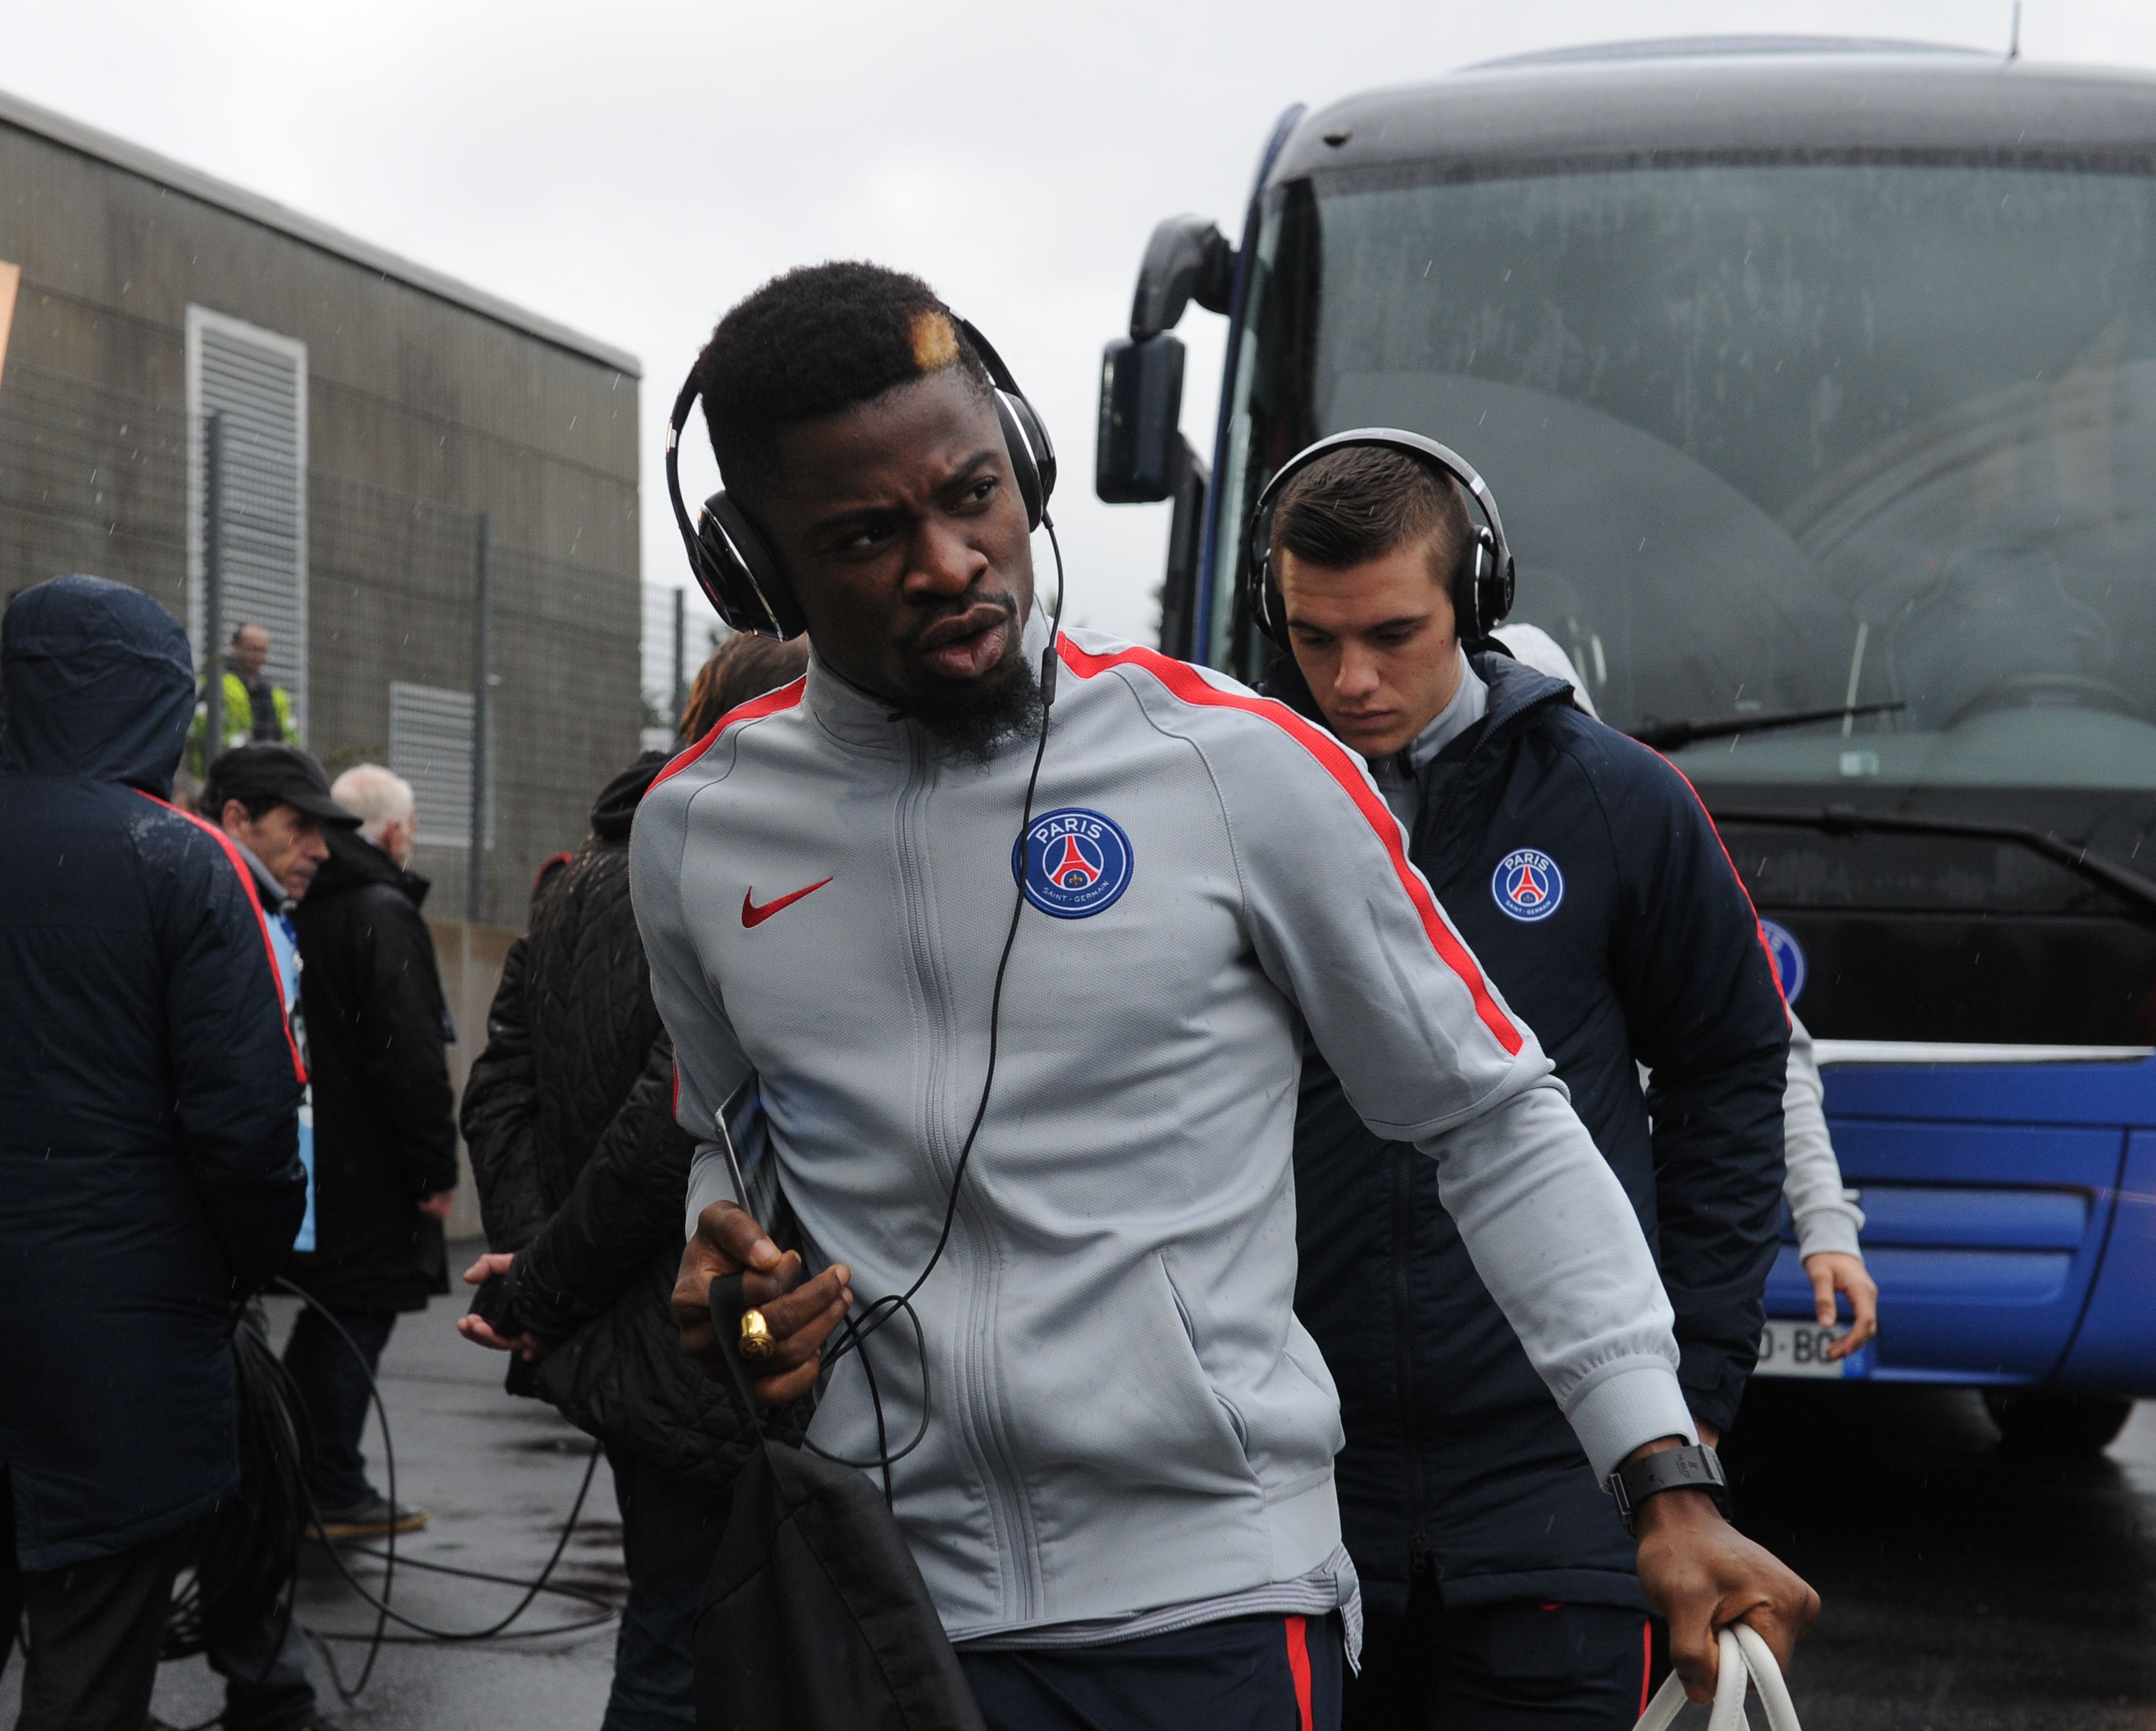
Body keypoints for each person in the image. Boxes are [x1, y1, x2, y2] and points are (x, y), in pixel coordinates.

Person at [610, 263, 1815, 1731]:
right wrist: (722, 1267)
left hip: (1212, 1610)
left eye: (975, 493)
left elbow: (1493, 1120)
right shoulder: (693, 832)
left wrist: (1662, 1471)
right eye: (866, 536)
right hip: (873, 1602)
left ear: (1028, 469)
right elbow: (719, 1145)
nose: (949, 563)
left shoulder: (1234, 767)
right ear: (756, 571)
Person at [1251, 441, 1792, 1728]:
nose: (1350, 678)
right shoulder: (1235, 800)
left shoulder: (1617, 802)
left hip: (1556, 1485)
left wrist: (1690, 1400)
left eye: (1391, 633)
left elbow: (1726, 1072)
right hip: (1286, 1485)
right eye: (1313, 640)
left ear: (1476, 601)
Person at [0, 576, 306, 1731]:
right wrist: (228, 1272)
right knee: (89, 1677)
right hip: (126, 1356)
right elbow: (246, 1130)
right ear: (157, 702)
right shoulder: (184, 863)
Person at [457, 631, 809, 1731]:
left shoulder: (575, 882)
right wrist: (544, 1284)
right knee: (757, 1652)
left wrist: (536, 1274)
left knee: (668, 1640)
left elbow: (497, 1087)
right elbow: (677, 1115)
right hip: (742, 1339)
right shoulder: (769, 879)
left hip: (630, 1343)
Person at [1491, 623, 1878, 1359]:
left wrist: (1826, 1225)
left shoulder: (1630, 846)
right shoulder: (1397, 855)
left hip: (1610, 1271)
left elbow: (1765, 1058)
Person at [190, 743, 358, 1731]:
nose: (321, 852)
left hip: (241, 1251)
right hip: (212, 1258)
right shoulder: (207, 898)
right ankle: (270, 1689)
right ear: (241, 813)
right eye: (301, 829)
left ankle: (270, 1686)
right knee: (237, 1478)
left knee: (256, 1468)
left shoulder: (259, 905)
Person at [284, 761, 458, 1539]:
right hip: (373, 1168)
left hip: (319, 1158)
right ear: (392, 834)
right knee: (356, 1320)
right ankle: (330, 1482)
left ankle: (293, 1473)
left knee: (327, 1318)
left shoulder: (303, 906)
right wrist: (433, 1168)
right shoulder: (382, 912)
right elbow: (410, 1056)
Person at [194, 623, 302, 768]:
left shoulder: (275, 693)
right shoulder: (216, 684)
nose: (258, 657)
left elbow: (291, 738)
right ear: (236, 648)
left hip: (269, 775)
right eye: (253, 649)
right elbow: (203, 732)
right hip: (227, 774)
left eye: (263, 651)